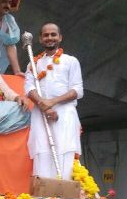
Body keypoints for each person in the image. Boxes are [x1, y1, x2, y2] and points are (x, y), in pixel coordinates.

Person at [24, 23, 83, 180]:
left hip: (65, 114)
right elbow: (29, 89)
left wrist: (52, 102)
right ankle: (44, 194)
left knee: (65, 151)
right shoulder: (33, 63)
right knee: (42, 151)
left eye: (53, 34)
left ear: (60, 37)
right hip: (41, 114)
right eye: (46, 35)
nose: (49, 38)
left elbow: (77, 90)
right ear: (40, 39)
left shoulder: (71, 61)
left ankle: (64, 191)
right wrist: (44, 107)